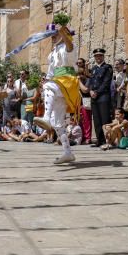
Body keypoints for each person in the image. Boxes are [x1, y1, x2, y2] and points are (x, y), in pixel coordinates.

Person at [34, 19, 80, 165]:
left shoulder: (68, 47)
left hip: (68, 81)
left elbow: (69, 45)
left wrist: (62, 31)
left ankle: (45, 117)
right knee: (58, 122)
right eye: (51, 35)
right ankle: (68, 152)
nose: (52, 37)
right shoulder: (52, 53)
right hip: (58, 83)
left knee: (50, 87)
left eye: (55, 34)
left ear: (62, 34)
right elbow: (50, 72)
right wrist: (45, 82)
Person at [87, 48, 113, 148]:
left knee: (105, 119)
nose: (98, 57)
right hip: (94, 96)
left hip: (103, 96)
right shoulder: (93, 68)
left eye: (100, 56)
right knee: (97, 119)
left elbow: (106, 82)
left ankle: (108, 140)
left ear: (103, 56)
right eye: (96, 56)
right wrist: (90, 91)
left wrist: (97, 92)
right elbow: (91, 82)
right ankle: (100, 140)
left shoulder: (107, 67)